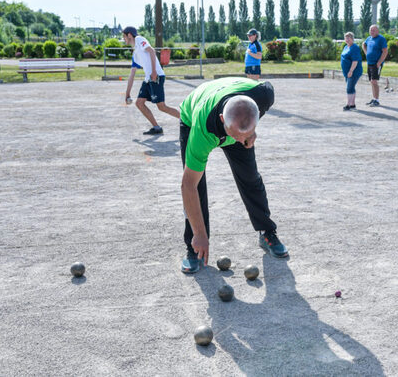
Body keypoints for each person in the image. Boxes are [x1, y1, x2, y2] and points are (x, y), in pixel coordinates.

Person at [178, 77, 288, 273]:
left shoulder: (263, 95)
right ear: (222, 119)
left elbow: (249, 117)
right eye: (236, 135)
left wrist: (249, 133)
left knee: (250, 177)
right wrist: (200, 234)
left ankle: (267, 232)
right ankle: (194, 247)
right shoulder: (203, 130)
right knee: (196, 183)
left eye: (246, 134)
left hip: (239, 109)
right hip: (196, 112)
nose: (240, 140)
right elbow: (188, 187)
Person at [123, 26, 180, 134]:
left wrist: (154, 71)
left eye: (124, 36)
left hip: (156, 76)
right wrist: (127, 94)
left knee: (162, 107)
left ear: (129, 35)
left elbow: (152, 51)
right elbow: (132, 74)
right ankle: (156, 127)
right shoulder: (135, 54)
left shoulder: (139, 40)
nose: (124, 39)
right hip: (148, 79)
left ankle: (188, 121)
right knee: (139, 103)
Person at [362, 25, 388, 107]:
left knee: (374, 81)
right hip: (370, 63)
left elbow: (385, 51)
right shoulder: (369, 38)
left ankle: (377, 100)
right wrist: (366, 53)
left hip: (376, 64)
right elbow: (363, 44)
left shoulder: (381, 39)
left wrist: (379, 62)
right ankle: (374, 98)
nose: (372, 32)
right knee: (371, 81)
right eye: (370, 30)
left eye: (373, 30)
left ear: (378, 31)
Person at [340, 32, 363, 111]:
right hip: (347, 72)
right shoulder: (346, 47)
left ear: (352, 39)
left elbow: (355, 61)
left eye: (349, 38)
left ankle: (349, 105)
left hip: (353, 72)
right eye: (346, 38)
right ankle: (352, 105)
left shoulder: (354, 48)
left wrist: (350, 71)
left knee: (349, 88)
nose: (347, 40)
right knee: (351, 87)